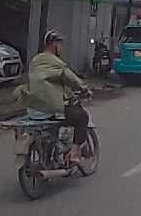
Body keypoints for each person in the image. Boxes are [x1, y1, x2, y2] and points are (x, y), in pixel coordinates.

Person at [17, 30, 92, 163]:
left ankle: (49, 155)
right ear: (54, 44)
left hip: (34, 110)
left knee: (54, 126)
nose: (62, 48)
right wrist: (84, 88)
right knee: (82, 117)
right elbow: (71, 79)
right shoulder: (55, 62)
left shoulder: (35, 61)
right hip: (51, 110)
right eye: (60, 44)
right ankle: (74, 153)